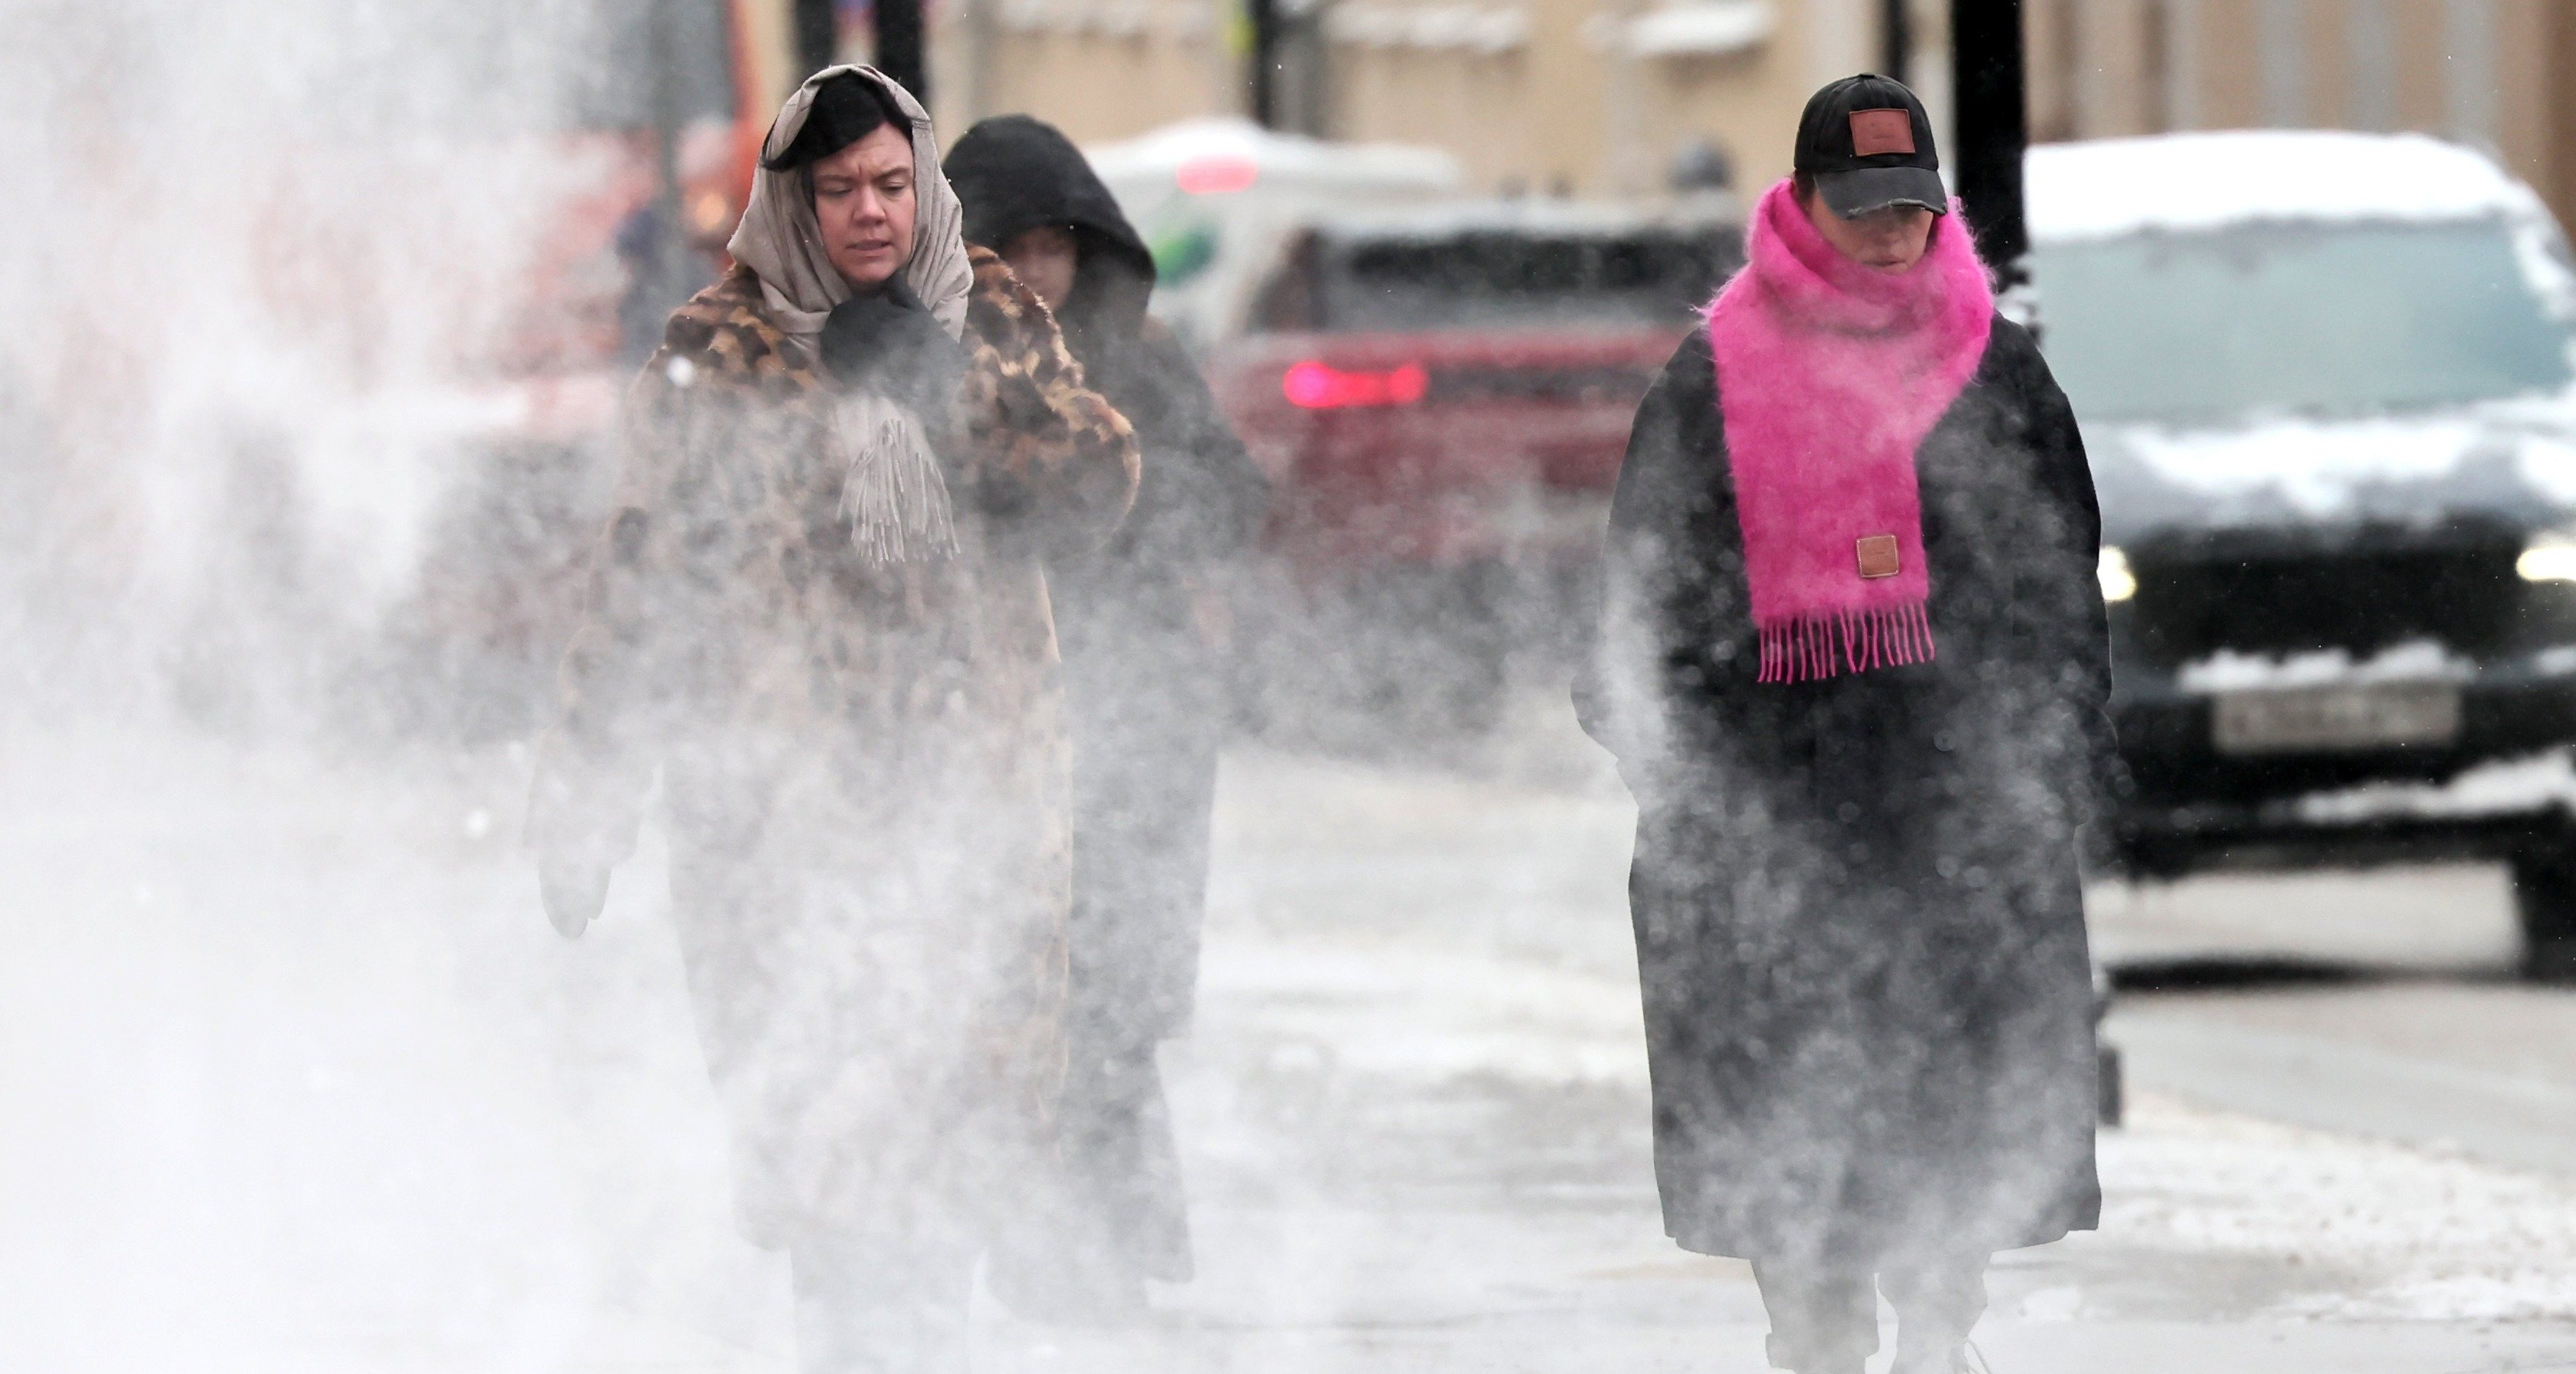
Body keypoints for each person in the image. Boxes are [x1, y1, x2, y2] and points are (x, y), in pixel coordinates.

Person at [526, 67, 1139, 1373]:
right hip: (781, 823)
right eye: (839, 188)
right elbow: (639, 582)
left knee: (952, 1143)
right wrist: (587, 798)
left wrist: (953, 409)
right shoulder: (716, 352)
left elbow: (1100, 477)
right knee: (832, 1158)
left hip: (974, 801)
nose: (871, 211)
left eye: (892, 184)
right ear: (793, 200)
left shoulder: (989, 317)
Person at [1575, 75, 2115, 1374]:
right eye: (1862, 207)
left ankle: (1943, 1338)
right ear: (1805, 201)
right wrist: (1698, 784)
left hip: (1957, 810)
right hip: (1776, 815)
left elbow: (2063, 581)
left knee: (1952, 1094)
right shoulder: (1717, 378)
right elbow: (1637, 609)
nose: (1889, 234)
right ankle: (1812, 1343)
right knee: (1793, 1105)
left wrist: (2056, 759)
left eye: (1911, 209)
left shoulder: (2000, 367)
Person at [943, 114, 1272, 1317]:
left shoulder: (1134, 363)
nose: (1036, 273)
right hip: (985, 732)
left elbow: (1231, 501)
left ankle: (1101, 1261)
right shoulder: (917, 375)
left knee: (1108, 1014)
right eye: (1007, 248)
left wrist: (1109, 500)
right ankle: (1019, 1257)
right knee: (998, 1005)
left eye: (1054, 246)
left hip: (1133, 733)